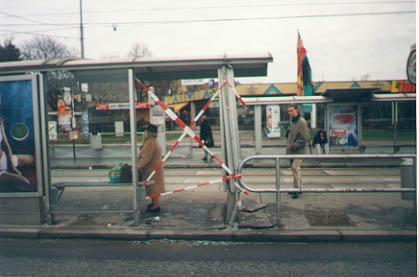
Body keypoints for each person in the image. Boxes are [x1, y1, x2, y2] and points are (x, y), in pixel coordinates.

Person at [0, 118, 35, 192]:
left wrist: (12, 167)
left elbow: (5, 145)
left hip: (3, 159)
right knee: (24, 181)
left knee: (31, 159)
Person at [138, 123, 165, 213]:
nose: (144, 133)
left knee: (154, 188)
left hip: (152, 169)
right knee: (153, 187)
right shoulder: (153, 141)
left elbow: (146, 157)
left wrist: (139, 166)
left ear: (148, 133)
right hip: (155, 168)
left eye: (145, 131)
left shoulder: (150, 142)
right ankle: (154, 203)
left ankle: (155, 205)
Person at [286, 104, 309, 199]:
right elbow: (291, 134)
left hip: (299, 150)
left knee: (295, 168)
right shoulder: (292, 121)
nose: (290, 113)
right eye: (289, 111)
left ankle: (297, 189)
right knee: (295, 169)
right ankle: (298, 187)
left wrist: (294, 145)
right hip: (291, 150)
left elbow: (305, 138)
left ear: (297, 110)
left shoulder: (302, 121)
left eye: (291, 110)